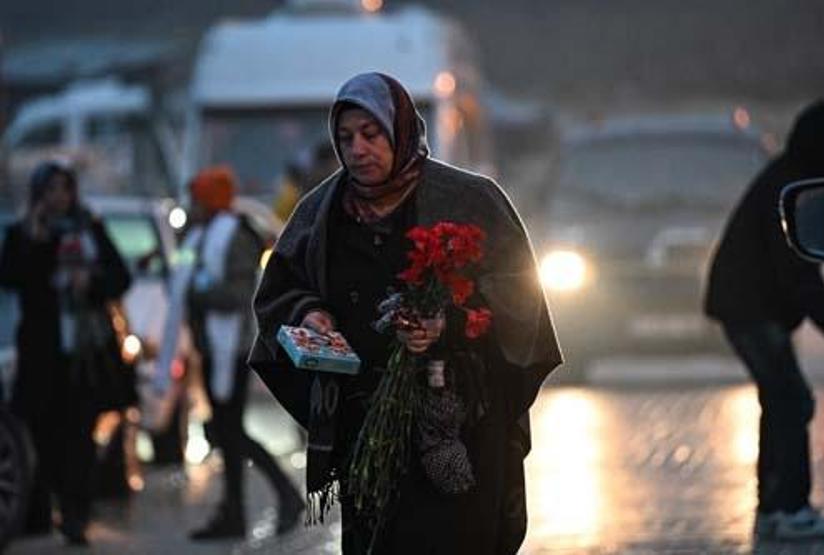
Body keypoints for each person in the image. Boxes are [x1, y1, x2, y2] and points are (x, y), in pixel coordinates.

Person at [248, 72, 561, 554]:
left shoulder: (468, 200)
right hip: (366, 424)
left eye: (371, 135)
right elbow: (281, 290)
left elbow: (518, 296)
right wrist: (310, 313)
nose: (357, 149)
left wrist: (448, 326)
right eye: (346, 138)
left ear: (399, 132)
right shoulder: (324, 210)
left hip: (455, 423)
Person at [705, 100, 824, 541]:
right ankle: (789, 508)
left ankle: (775, 505)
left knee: (780, 400)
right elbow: (800, 273)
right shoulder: (795, 187)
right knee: (792, 400)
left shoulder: (789, 177)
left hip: (744, 305)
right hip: (751, 309)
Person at [0, 160, 132, 545]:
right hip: (43, 354)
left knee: (81, 436)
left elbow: (118, 276)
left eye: (64, 189)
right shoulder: (24, 234)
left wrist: (89, 282)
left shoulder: (88, 229)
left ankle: (77, 513)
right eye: (50, 190)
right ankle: (59, 500)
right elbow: (11, 277)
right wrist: (35, 239)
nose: (58, 197)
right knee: (44, 434)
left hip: (84, 353)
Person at [182, 166, 305, 541]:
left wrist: (194, 292)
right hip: (213, 347)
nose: (192, 206)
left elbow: (235, 296)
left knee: (229, 430)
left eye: (198, 199)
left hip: (231, 348)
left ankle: (285, 495)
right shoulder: (203, 233)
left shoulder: (234, 236)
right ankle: (234, 511)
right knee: (226, 430)